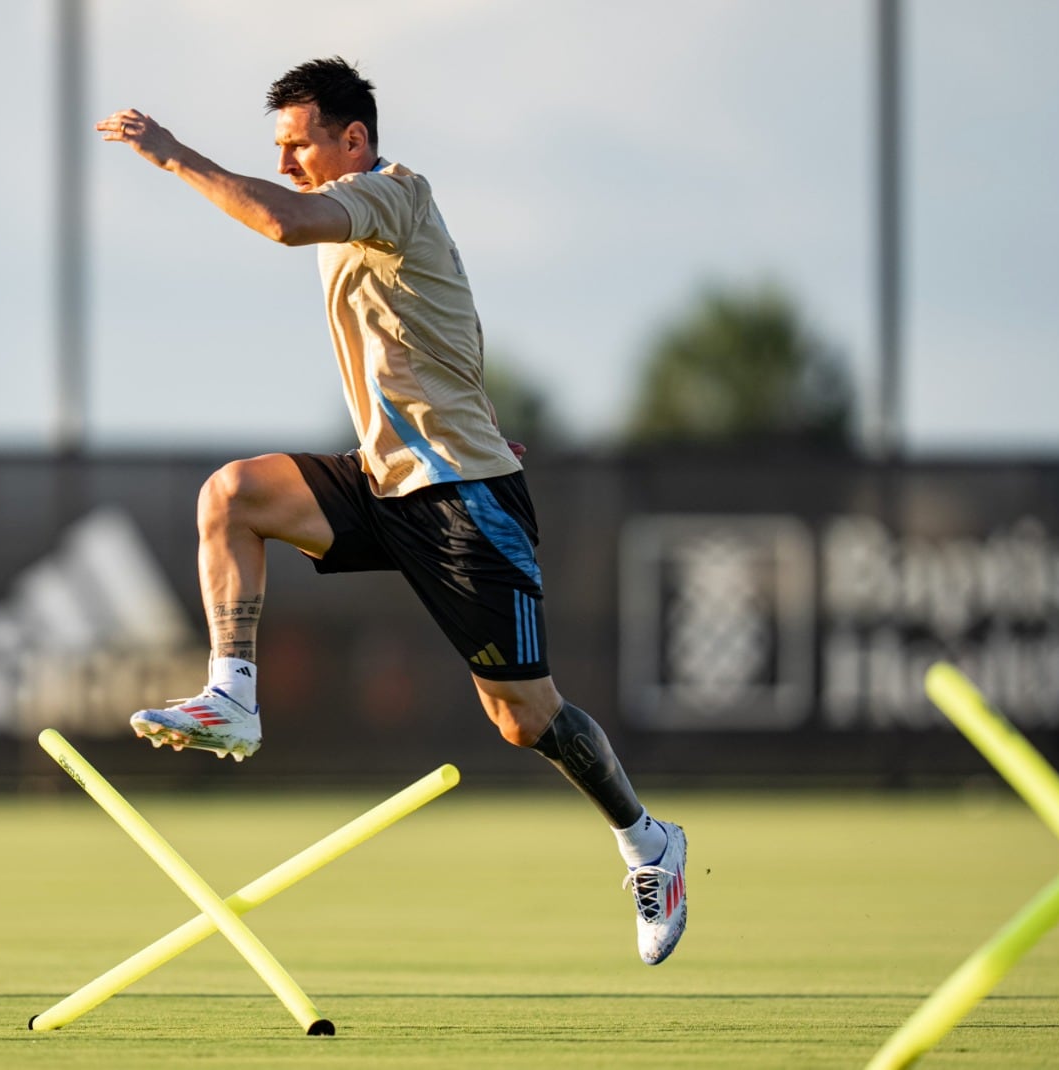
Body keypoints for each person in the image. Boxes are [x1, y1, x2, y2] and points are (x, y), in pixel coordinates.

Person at [96, 57, 687, 966]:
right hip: (384, 482)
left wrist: (171, 152)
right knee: (233, 494)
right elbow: (444, 321)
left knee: (524, 718)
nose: (288, 162)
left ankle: (649, 841)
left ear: (355, 141)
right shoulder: (360, 217)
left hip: (466, 503)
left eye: (299, 144)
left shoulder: (391, 194)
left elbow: (281, 221)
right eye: (280, 148)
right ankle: (234, 697)